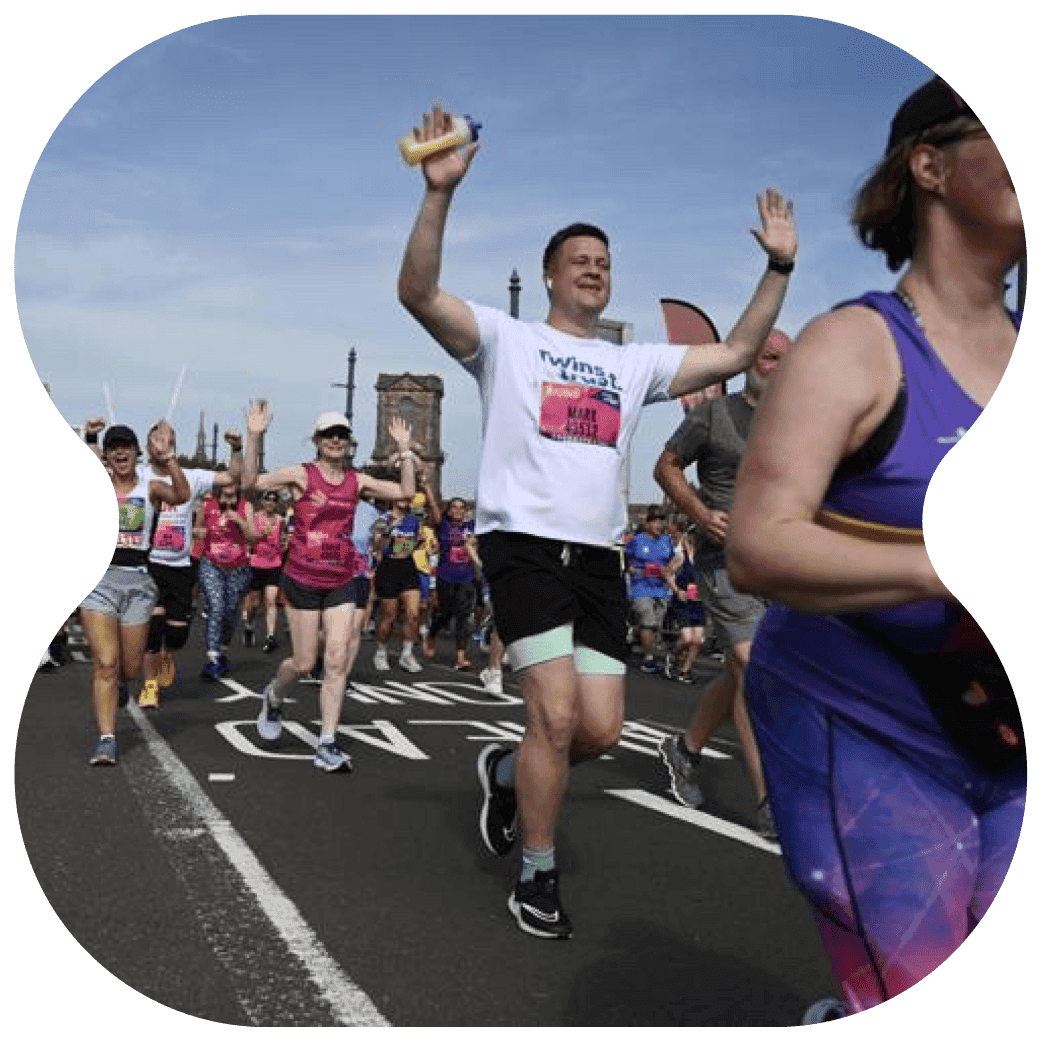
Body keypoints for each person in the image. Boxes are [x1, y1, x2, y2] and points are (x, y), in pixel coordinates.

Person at [397, 101, 797, 939]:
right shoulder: (506, 341)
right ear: (549, 276)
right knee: (552, 712)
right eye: (578, 260)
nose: (593, 269)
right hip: (523, 547)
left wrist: (778, 272)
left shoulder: (630, 362)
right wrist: (440, 194)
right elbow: (419, 292)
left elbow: (731, 353)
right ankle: (537, 875)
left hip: (599, 557)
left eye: (603, 262)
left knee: (601, 731)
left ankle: (505, 773)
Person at [725, 76, 1025, 1019]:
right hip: (862, 718)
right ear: (930, 166)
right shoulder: (855, 346)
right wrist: (943, 567)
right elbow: (758, 548)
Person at [652, 331, 792, 837]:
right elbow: (666, 466)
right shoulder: (714, 414)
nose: (780, 367)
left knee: (739, 671)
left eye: (787, 359)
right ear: (749, 362)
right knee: (754, 666)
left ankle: (684, 748)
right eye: (771, 357)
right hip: (723, 561)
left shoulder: (799, 421)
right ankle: (769, 802)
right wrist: (699, 512)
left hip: (781, 564)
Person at [245, 401, 416, 772]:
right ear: (318, 441)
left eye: (341, 435)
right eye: (328, 435)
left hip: (340, 580)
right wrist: (255, 436)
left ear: (349, 442)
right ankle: (274, 696)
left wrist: (405, 451)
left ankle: (327, 743)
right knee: (306, 662)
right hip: (302, 578)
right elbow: (250, 483)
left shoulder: (358, 481)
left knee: (337, 661)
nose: (335, 440)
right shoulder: (301, 475)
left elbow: (406, 493)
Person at [79, 421, 190, 764]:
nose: (120, 452)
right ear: (108, 456)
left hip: (139, 583)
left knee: (129, 666)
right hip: (98, 580)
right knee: (105, 663)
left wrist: (170, 458)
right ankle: (107, 739)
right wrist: (90, 438)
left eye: (126, 446)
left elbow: (182, 495)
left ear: (135, 452)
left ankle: (123, 685)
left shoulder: (150, 486)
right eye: (114, 448)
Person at [137, 425, 244, 708]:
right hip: (149, 563)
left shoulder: (192, 477)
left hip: (181, 565)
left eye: (170, 440)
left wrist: (236, 449)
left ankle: (168, 654)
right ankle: (149, 686)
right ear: (148, 445)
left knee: (177, 633)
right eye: (158, 439)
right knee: (152, 631)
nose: (164, 445)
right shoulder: (140, 476)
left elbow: (232, 476)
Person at [198, 482, 256, 680]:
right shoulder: (206, 506)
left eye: (233, 497)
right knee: (216, 607)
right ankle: (213, 657)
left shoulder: (246, 507)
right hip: (212, 564)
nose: (228, 502)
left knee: (231, 611)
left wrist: (239, 520)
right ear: (218, 494)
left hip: (238, 568)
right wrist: (200, 535)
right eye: (225, 497)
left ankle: (221, 650)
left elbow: (253, 537)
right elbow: (198, 530)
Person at [423, 494, 481, 671]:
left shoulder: (472, 526)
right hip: (446, 577)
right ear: (448, 511)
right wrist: (426, 487)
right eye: (453, 507)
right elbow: (434, 508)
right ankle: (432, 633)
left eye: (461, 507)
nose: (457, 510)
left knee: (464, 616)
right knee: (445, 613)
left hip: (467, 578)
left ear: (466, 511)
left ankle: (461, 655)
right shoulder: (444, 526)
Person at [372, 490, 425, 674]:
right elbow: (379, 548)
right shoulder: (382, 519)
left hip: (408, 568)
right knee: (390, 617)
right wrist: (388, 532)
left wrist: (416, 543)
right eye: (400, 497)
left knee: (413, 614)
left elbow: (408, 548)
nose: (404, 501)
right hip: (388, 568)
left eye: (407, 498)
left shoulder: (413, 520)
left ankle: (407, 655)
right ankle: (380, 651)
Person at [625, 504, 674, 673]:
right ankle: (648, 659)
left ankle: (634, 633)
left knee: (656, 626)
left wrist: (669, 571)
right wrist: (632, 569)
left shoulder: (667, 541)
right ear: (647, 524)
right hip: (641, 587)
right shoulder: (637, 540)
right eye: (655, 522)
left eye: (662, 521)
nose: (659, 525)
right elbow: (626, 560)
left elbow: (671, 562)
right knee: (649, 622)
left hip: (661, 589)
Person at [242, 489, 286, 654]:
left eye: (274, 500)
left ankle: (270, 636)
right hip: (256, 564)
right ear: (262, 502)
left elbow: (282, 538)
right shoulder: (254, 517)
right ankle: (248, 625)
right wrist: (260, 534)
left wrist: (283, 544)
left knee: (271, 600)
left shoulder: (280, 520)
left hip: (274, 564)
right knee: (254, 604)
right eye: (267, 499)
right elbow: (248, 537)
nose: (270, 502)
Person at [663, 524, 704, 682]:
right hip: (682, 603)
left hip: (698, 604)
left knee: (697, 641)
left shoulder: (704, 560)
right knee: (687, 639)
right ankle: (673, 656)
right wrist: (676, 590)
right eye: (693, 537)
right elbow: (666, 573)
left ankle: (685, 671)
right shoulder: (681, 557)